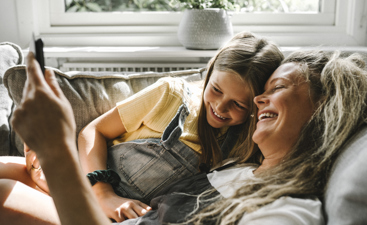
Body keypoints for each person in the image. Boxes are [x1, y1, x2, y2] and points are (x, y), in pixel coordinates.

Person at [2, 48, 367, 225]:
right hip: (96, 189)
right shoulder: (243, 165)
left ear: (323, 110)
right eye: (215, 91)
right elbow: (96, 133)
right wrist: (75, 174)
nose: (261, 98)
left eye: (274, 88)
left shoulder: (288, 207)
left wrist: (56, 154)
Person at [0, 31, 284, 224]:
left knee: (3, 192)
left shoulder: (247, 144)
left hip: (93, 211)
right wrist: (102, 192)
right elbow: (93, 132)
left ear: (258, 106)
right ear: (208, 75)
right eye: (217, 90)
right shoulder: (171, 95)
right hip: (87, 177)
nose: (221, 108)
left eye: (238, 105)